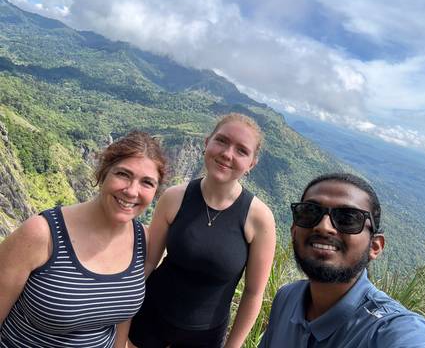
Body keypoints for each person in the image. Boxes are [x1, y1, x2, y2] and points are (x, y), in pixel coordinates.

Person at [0, 131, 166, 348]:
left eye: (147, 182)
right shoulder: (42, 234)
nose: (132, 191)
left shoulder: (143, 240)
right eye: (123, 174)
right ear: (104, 172)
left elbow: (122, 318)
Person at [127, 113, 276, 348]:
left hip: (206, 335)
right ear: (207, 142)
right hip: (150, 317)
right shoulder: (174, 197)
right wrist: (120, 312)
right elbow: (148, 263)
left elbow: (253, 293)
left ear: (251, 164)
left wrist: (233, 345)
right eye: (222, 141)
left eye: (241, 150)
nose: (227, 154)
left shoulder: (259, 219)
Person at [259, 173, 425, 348]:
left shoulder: (387, 329)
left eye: (347, 218)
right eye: (310, 211)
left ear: (375, 246)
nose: (323, 227)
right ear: (294, 231)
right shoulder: (287, 298)